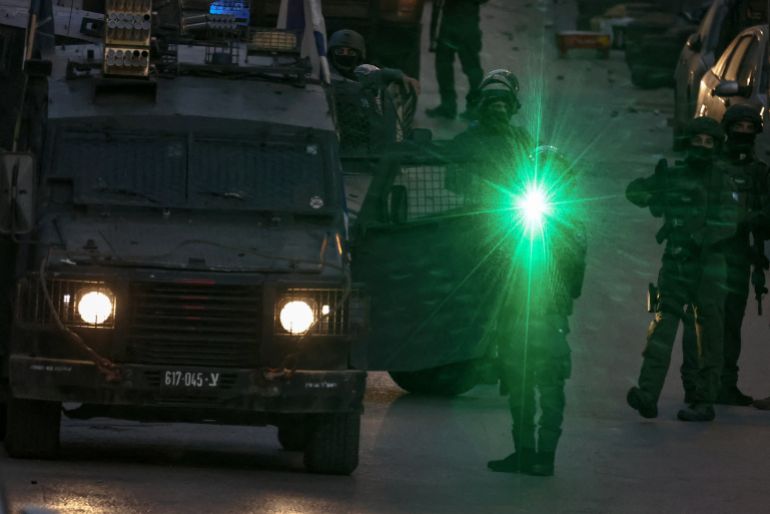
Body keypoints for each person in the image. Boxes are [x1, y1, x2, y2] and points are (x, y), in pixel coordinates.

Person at [626, 116, 741, 422]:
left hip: (708, 267)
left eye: (709, 141)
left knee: (708, 335)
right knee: (662, 329)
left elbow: (729, 220)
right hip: (676, 263)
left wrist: (699, 238)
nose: (702, 146)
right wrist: (655, 186)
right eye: (697, 140)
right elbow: (635, 193)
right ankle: (648, 394)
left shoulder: (722, 180)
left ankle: (704, 399)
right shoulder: (675, 176)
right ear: (688, 142)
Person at [485, 145, 587, 477]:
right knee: (518, 383)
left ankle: (544, 455)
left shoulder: (568, 220)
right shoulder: (516, 210)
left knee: (549, 384)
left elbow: (573, 277)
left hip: (547, 314)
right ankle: (524, 452)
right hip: (517, 312)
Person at [679, 104, 769, 407]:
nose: (743, 135)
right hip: (710, 254)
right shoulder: (712, 167)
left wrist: (755, 224)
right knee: (702, 321)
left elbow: (765, 219)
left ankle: (724, 383)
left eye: (749, 129)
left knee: (731, 322)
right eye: (738, 128)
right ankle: (699, 383)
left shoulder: (759, 173)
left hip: (741, 255)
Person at [327, 29, 420, 149]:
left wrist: (400, 75)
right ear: (331, 54)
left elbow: (379, 74)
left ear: (359, 55)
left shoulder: (363, 74)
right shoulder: (326, 78)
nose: (345, 55)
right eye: (340, 51)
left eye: (351, 52)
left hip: (368, 146)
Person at [425, 0, 488, 120]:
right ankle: (448, 106)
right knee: (443, 66)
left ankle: (473, 108)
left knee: (472, 69)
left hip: (466, 24)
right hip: (450, 23)